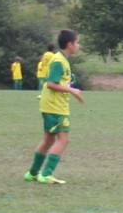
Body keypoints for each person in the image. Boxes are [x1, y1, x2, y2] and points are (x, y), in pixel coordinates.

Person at [25, 29, 84, 184]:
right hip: (55, 106)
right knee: (63, 139)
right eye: (77, 42)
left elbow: (58, 81)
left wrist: (68, 85)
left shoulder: (62, 59)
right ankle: (46, 174)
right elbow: (51, 83)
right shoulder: (59, 61)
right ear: (70, 44)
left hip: (51, 105)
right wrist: (72, 90)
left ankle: (33, 173)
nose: (79, 46)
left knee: (48, 139)